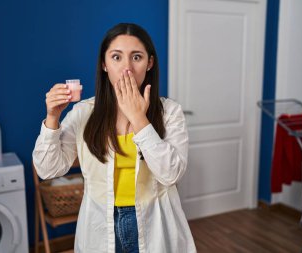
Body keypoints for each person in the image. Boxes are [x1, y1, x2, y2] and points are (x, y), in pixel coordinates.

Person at [33, 23, 197, 253]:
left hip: (156, 224)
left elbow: (171, 174)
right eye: (117, 57)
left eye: (136, 57)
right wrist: (52, 118)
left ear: (149, 63)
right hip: (100, 225)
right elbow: (48, 170)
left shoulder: (170, 112)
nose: (126, 68)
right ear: (104, 64)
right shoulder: (83, 113)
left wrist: (139, 119)